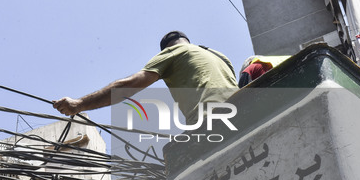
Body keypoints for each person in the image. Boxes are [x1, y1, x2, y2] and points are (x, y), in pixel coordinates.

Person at [53, 31, 238, 124]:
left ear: (166, 48)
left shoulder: (174, 52)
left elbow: (131, 85)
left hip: (210, 119)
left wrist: (79, 104)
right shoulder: (219, 56)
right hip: (241, 110)